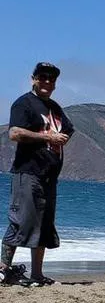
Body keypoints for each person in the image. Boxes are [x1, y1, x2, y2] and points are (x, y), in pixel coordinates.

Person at [1, 62, 74, 286]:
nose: (47, 82)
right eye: (43, 77)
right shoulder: (24, 103)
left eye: (52, 79)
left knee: (44, 224)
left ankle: (37, 274)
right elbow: (14, 133)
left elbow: (69, 128)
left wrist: (61, 140)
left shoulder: (54, 108)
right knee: (20, 220)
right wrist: (47, 138)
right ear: (33, 78)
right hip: (28, 172)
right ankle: (3, 269)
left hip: (49, 175)